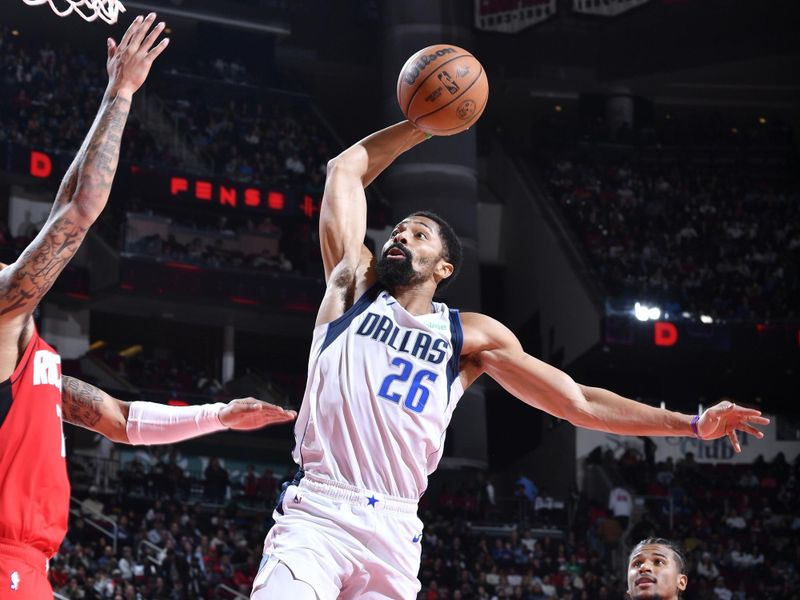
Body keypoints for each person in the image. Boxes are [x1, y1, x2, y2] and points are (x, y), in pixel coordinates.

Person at [250, 120, 769, 599]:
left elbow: (578, 401)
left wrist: (693, 424)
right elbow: (346, 167)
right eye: (400, 229)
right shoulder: (352, 284)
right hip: (319, 509)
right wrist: (422, 125)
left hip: (395, 525)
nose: (401, 235)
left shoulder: (469, 335)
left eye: (419, 233)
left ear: (444, 267)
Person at [0, 15, 295, 600]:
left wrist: (219, 415)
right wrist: (121, 94)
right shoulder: (3, 312)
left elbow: (120, 420)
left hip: (29, 569)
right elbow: (81, 212)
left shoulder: (26, 357)